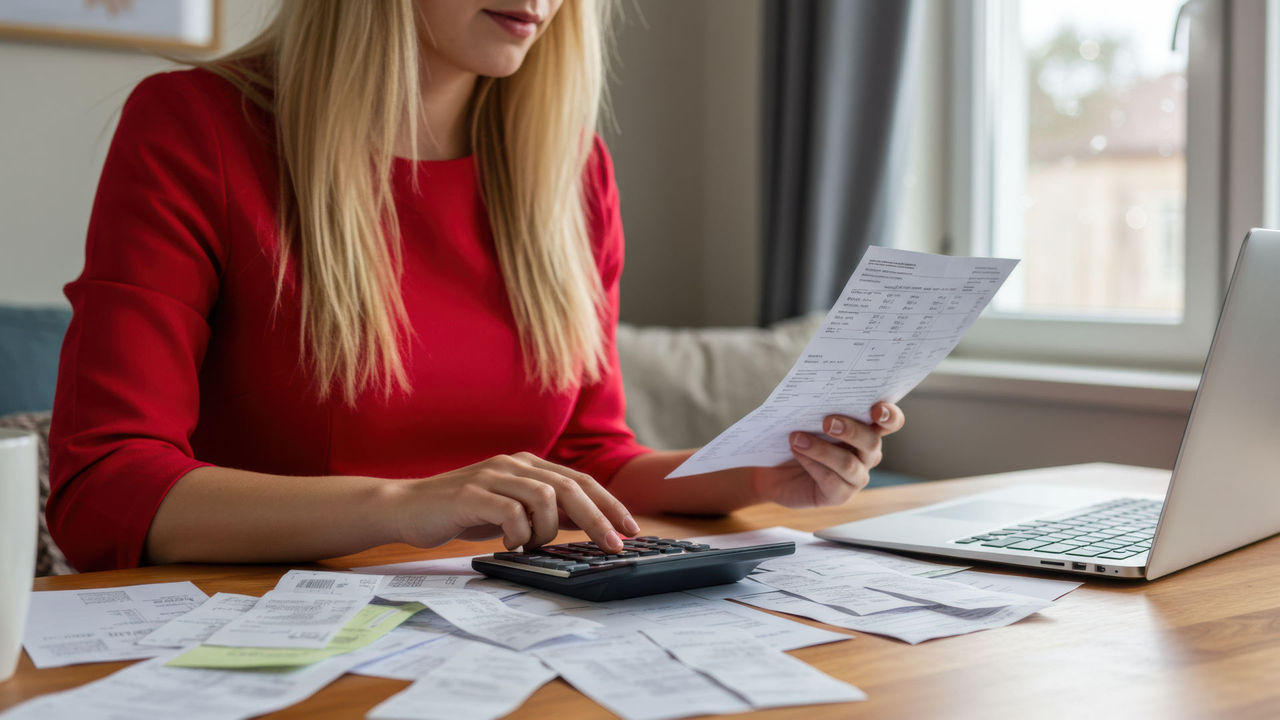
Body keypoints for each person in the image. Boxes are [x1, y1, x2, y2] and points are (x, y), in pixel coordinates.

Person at [46, 0, 905, 573]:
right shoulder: (193, 128)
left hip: (497, 631)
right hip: (260, 633)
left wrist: (758, 474)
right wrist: (404, 506)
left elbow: (589, 457)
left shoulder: (570, 173)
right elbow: (104, 490)